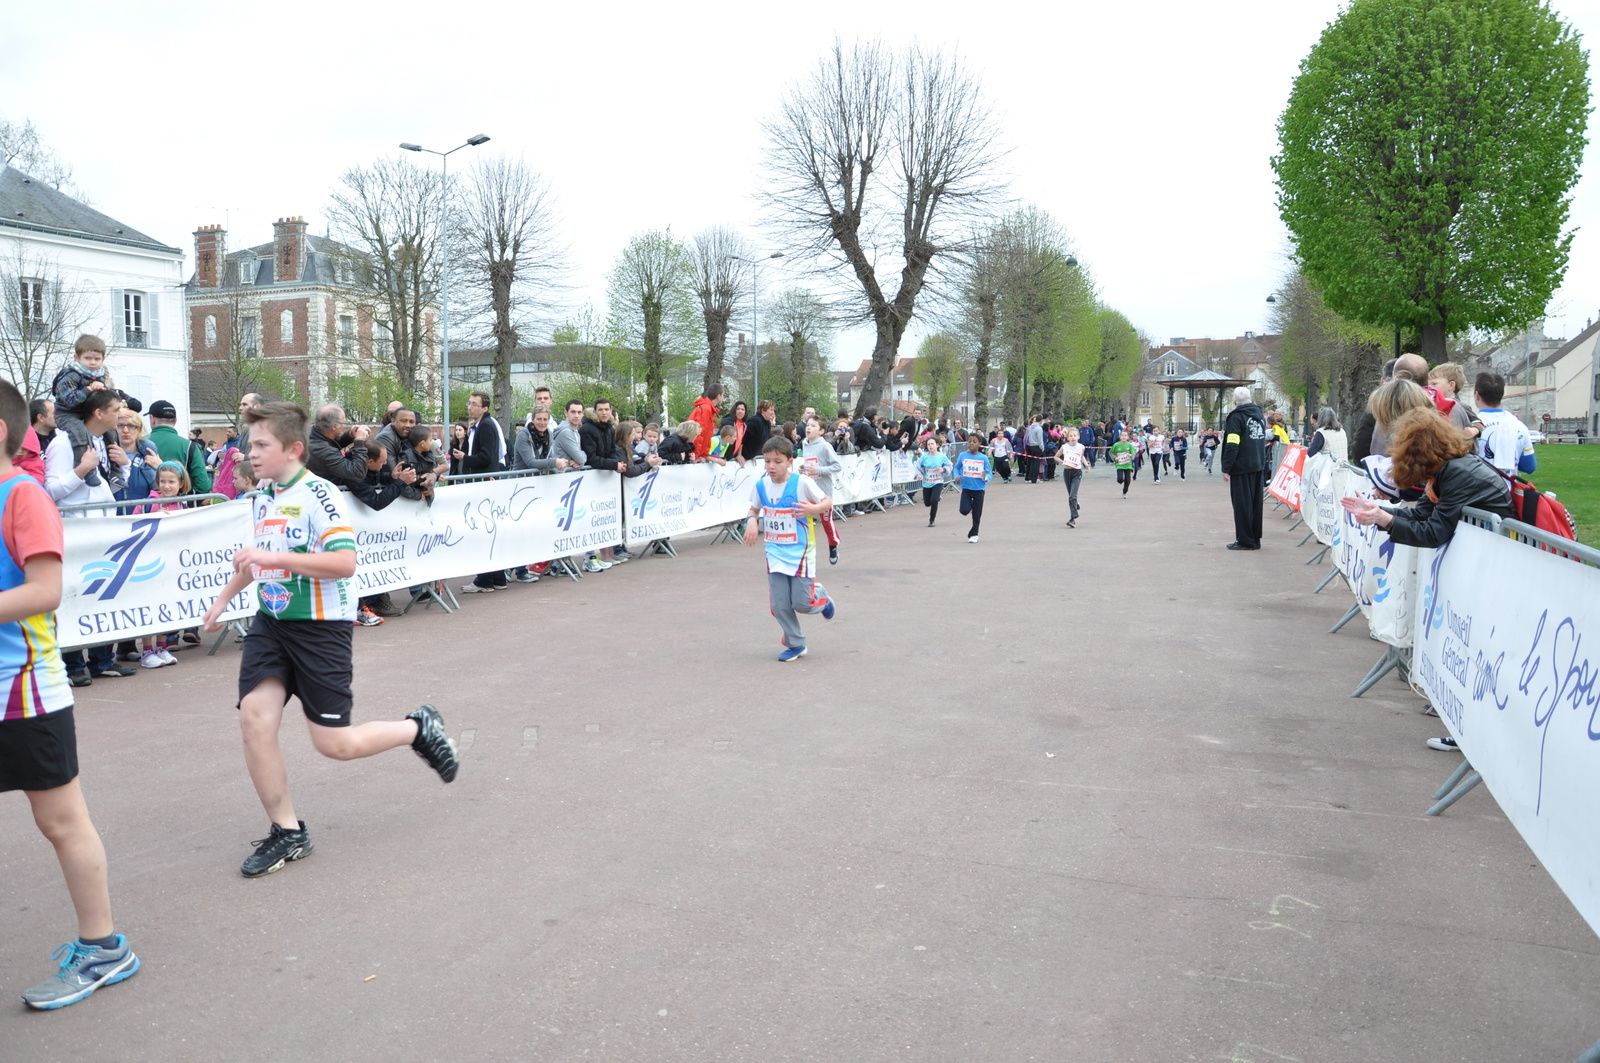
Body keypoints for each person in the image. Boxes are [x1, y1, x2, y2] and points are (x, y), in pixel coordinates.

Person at [199, 402, 459, 879]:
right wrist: (222, 601)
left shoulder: (319, 495)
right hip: (272, 623)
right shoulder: (262, 496)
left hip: (321, 629)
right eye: (250, 444)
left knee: (335, 745)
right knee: (255, 718)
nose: (250, 453)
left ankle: (417, 729)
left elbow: (344, 563)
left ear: (293, 449)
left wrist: (276, 558)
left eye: (261, 445)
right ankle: (287, 831)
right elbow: (257, 560)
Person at [0, 378, 141, 1010]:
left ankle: (103, 948)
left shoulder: (22, 495)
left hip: (24, 690)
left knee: (60, 821)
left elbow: (45, 591)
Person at [1340, 407, 1515, 753]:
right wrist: (1380, 513)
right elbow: (1422, 513)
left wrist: (1384, 520)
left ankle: (1476, 738)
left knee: (1484, 655)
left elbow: (1434, 531)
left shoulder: (1456, 474)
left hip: (1498, 572)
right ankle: (1464, 729)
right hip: (1487, 568)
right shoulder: (1448, 469)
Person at [44, 390, 136, 686]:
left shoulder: (103, 441)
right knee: (73, 596)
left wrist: (124, 466)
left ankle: (102, 660)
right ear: (98, 413)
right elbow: (51, 490)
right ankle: (73, 665)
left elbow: (107, 488)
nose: (121, 416)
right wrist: (82, 469)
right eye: (115, 410)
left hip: (101, 531)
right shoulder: (63, 442)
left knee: (103, 594)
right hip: (75, 533)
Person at [742, 436, 835, 662]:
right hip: (775, 553)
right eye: (767, 461)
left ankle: (821, 597)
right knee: (778, 605)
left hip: (801, 553)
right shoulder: (761, 485)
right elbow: (753, 509)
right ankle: (796, 644)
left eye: (777, 461)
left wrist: (812, 509)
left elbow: (827, 502)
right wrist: (752, 521)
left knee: (802, 603)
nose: (771, 466)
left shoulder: (802, 483)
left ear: (790, 461)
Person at [458, 392, 508, 591]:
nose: (469, 407)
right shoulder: (479, 426)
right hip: (485, 481)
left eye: (474, 404)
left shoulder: (486, 426)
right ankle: (497, 577)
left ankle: (485, 580)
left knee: (484, 530)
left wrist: (465, 458)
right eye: (469, 403)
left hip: (484, 482)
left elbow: (486, 457)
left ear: (484, 408)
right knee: (490, 530)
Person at [579, 398, 629, 569]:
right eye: (600, 409)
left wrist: (617, 463)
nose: (604, 412)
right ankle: (595, 556)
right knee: (596, 518)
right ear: (595, 411)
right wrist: (614, 465)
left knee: (607, 517)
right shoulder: (587, 429)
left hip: (607, 477)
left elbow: (612, 451)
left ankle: (608, 554)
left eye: (607, 409)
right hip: (593, 479)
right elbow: (592, 458)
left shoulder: (609, 428)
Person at [1221, 387, 1268, 550]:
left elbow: (1232, 443)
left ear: (1235, 400)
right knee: (1255, 504)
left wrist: (1227, 467)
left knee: (1242, 505)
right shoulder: (1259, 415)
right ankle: (1255, 538)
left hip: (1241, 466)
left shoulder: (1236, 417)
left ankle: (1245, 540)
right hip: (1258, 464)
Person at [1471, 372, 1537, 476]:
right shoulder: (1519, 426)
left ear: (1477, 395)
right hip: (1506, 485)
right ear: (1502, 394)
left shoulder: (1469, 425)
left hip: (1475, 484)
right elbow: (1529, 466)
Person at [799, 416, 843, 565]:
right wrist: (803, 469)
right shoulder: (804, 443)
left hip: (823, 491)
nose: (808, 427)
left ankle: (833, 545)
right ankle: (802, 550)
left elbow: (837, 466)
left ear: (821, 431)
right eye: (808, 425)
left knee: (826, 521)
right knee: (802, 518)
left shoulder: (825, 446)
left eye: (813, 426)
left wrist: (818, 470)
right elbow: (808, 463)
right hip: (808, 489)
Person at [145, 400, 213, 494]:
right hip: (180, 501)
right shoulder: (189, 446)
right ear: (175, 421)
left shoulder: (138, 443)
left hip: (144, 502)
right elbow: (203, 486)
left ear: (152, 419)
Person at [112, 409, 161, 511]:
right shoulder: (106, 454)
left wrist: (161, 468)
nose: (125, 430)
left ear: (138, 429)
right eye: (120, 425)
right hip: (113, 516)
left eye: (131, 426)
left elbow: (163, 489)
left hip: (143, 515)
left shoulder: (149, 454)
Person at [955, 433, 992, 542]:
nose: (971, 443)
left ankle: (974, 534)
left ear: (979, 444)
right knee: (964, 510)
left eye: (974, 442)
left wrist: (985, 477)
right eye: (969, 441)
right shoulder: (962, 455)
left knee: (977, 515)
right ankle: (971, 508)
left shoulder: (983, 458)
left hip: (979, 489)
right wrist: (956, 476)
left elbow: (989, 473)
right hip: (966, 488)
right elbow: (956, 468)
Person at [915, 436, 953, 528]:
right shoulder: (924, 456)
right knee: (927, 503)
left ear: (937, 445)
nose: (930, 446)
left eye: (932, 444)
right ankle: (936, 498)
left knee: (934, 500)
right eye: (928, 444)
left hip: (938, 481)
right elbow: (918, 467)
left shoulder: (942, 456)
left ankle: (932, 520)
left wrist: (943, 469)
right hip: (927, 482)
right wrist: (919, 475)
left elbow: (950, 465)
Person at [1054, 426, 1087, 527]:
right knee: (1071, 496)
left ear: (1078, 437)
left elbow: (1081, 456)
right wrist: (1063, 462)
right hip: (1067, 472)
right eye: (1071, 436)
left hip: (1077, 472)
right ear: (1067, 438)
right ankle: (1075, 504)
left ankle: (1073, 519)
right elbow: (1056, 457)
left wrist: (1086, 464)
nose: (1073, 437)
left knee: (1072, 496)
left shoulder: (1081, 447)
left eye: (1075, 435)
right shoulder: (1064, 447)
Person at [689, 385, 724, 461]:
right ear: (718, 396)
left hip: (697, 455)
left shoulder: (708, 409)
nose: (723, 398)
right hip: (695, 456)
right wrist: (697, 455)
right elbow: (699, 434)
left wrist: (704, 455)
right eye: (723, 395)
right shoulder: (706, 409)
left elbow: (706, 435)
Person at [1110, 429, 1136, 498]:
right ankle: (1120, 479)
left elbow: (1133, 452)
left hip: (1128, 465)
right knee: (1120, 480)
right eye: (1122, 435)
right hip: (1120, 465)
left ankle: (1125, 491)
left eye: (1125, 435)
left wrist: (1131, 455)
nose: (1124, 437)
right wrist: (1115, 458)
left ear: (1128, 437)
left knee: (1128, 480)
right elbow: (1111, 452)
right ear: (1120, 437)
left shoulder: (1129, 445)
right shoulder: (1116, 445)